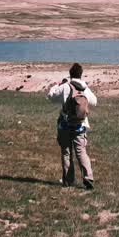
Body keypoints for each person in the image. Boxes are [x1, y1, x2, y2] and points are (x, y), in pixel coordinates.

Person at [46, 62, 98, 190]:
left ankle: (69, 181)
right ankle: (88, 177)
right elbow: (94, 102)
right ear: (81, 74)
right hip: (80, 125)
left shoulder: (65, 86)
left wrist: (57, 85)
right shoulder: (85, 88)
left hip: (65, 125)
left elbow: (50, 96)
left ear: (70, 74)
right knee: (81, 152)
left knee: (66, 152)